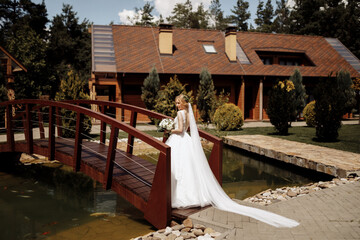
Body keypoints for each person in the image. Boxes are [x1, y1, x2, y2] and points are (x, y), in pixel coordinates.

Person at [165, 94, 299, 228]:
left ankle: (180, 196)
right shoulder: (188, 113)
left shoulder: (181, 113)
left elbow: (181, 130)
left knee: (180, 168)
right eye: (176, 103)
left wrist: (169, 129)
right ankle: (194, 194)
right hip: (186, 141)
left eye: (178, 103)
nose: (176, 105)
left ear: (183, 103)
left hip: (180, 140)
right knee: (188, 168)